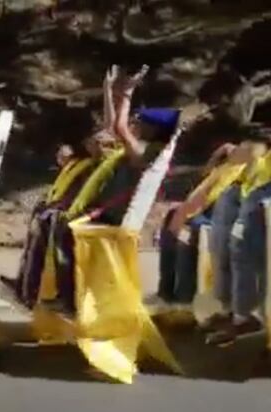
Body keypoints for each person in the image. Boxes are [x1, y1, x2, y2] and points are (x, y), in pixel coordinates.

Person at [51, 64, 181, 314]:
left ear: (152, 131)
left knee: (62, 230)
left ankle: (68, 300)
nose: (135, 122)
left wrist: (129, 93)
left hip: (112, 216)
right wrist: (109, 91)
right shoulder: (139, 149)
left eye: (140, 121)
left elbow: (119, 128)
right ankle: (62, 292)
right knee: (53, 219)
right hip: (105, 210)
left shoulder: (143, 154)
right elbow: (114, 126)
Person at [0, 65, 119, 309]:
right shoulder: (86, 159)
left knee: (50, 220)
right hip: (71, 206)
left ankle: (52, 295)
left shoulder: (108, 157)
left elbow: (113, 126)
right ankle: (26, 284)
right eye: (92, 140)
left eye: (98, 140)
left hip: (90, 212)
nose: (94, 143)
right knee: (41, 214)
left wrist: (111, 91)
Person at [154, 142, 246, 307]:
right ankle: (165, 292)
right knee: (172, 218)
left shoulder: (246, 169)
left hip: (225, 216)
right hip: (207, 211)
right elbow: (204, 180)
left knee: (189, 229)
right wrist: (217, 155)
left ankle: (183, 297)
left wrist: (186, 214)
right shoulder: (224, 168)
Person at [203, 139, 271, 345]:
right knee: (220, 243)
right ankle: (230, 311)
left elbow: (251, 151)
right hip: (252, 183)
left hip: (262, 191)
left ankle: (245, 317)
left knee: (242, 245)